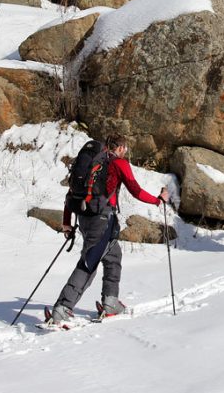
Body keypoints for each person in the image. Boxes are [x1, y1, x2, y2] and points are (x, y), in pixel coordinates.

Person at [47, 135, 170, 325]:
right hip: (102, 219)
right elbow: (136, 190)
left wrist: (67, 222)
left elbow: (71, 192)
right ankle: (62, 308)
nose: (126, 152)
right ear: (120, 148)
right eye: (125, 148)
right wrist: (158, 200)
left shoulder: (92, 165)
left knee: (113, 256)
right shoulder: (118, 163)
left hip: (85, 216)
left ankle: (110, 302)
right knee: (89, 263)